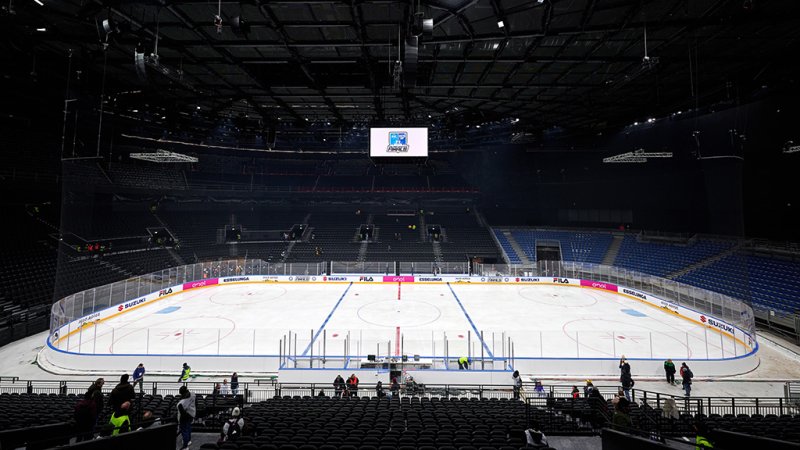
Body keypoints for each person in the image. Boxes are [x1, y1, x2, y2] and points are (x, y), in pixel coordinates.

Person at [177, 386, 196, 450]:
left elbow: (182, 413)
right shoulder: (193, 395)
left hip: (185, 416)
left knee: (184, 430)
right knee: (188, 428)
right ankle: (188, 441)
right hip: (191, 414)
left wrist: (180, 419)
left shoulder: (181, 403)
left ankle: (185, 446)